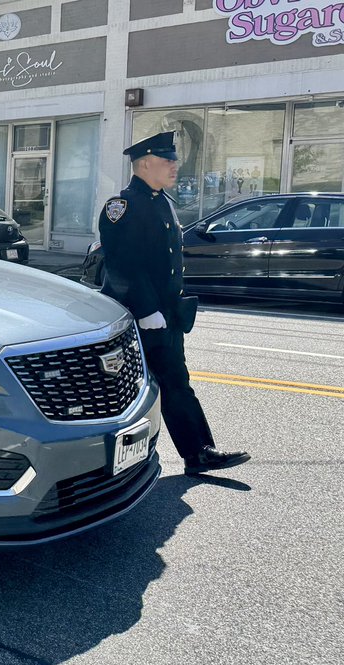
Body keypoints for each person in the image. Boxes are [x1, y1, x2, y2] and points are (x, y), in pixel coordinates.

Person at [98, 131, 250, 477]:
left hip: (166, 315)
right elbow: (122, 264)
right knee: (123, 390)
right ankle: (103, 462)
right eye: (168, 161)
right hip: (139, 317)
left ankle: (198, 452)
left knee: (176, 381)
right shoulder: (122, 207)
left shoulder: (162, 201)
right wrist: (145, 309)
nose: (174, 167)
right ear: (146, 164)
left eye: (174, 161)